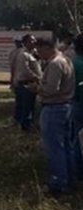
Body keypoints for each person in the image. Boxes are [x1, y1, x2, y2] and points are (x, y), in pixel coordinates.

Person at [33, 37, 75, 195]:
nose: (39, 55)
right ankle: (69, 179)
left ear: (46, 48)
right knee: (66, 147)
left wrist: (37, 88)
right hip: (66, 107)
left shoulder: (55, 63)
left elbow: (52, 89)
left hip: (54, 108)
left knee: (54, 148)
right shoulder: (65, 60)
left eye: (40, 51)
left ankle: (59, 184)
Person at [14, 34, 42, 132]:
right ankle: (25, 126)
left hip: (33, 83)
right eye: (31, 41)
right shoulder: (23, 54)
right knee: (26, 105)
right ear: (25, 43)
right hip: (26, 83)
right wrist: (38, 78)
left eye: (34, 40)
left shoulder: (33, 53)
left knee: (31, 105)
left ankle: (29, 124)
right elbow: (25, 70)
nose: (34, 42)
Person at [72, 34, 83, 179]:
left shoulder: (73, 62)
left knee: (75, 137)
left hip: (75, 102)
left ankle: (78, 169)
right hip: (79, 103)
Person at [8, 36, 24, 124]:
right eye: (17, 42)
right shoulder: (14, 52)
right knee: (19, 99)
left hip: (22, 77)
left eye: (20, 41)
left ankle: (20, 118)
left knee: (22, 100)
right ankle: (17, 118)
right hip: (17, 77)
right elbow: (12, 67)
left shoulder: (24, 52)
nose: (19, 43)